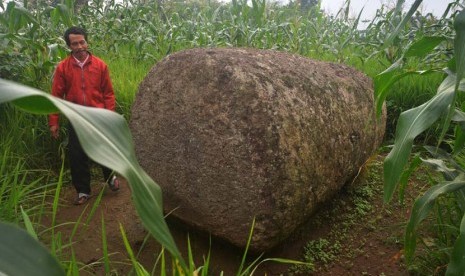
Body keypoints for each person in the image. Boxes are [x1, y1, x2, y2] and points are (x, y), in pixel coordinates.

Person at [49, 26, 120, 205]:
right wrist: (54, 121)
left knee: (104, 148)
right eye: (75, 43)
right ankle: (83, 191)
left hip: (98, 116)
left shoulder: (100, 65)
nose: (80, 46)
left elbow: (108, 94)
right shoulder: (63, 68)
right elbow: (56, 96)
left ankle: (111, 178)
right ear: (69, 46)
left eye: (82, 42)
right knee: (77, 154)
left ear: (86, 42)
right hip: (76, 118)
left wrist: (109, 116)